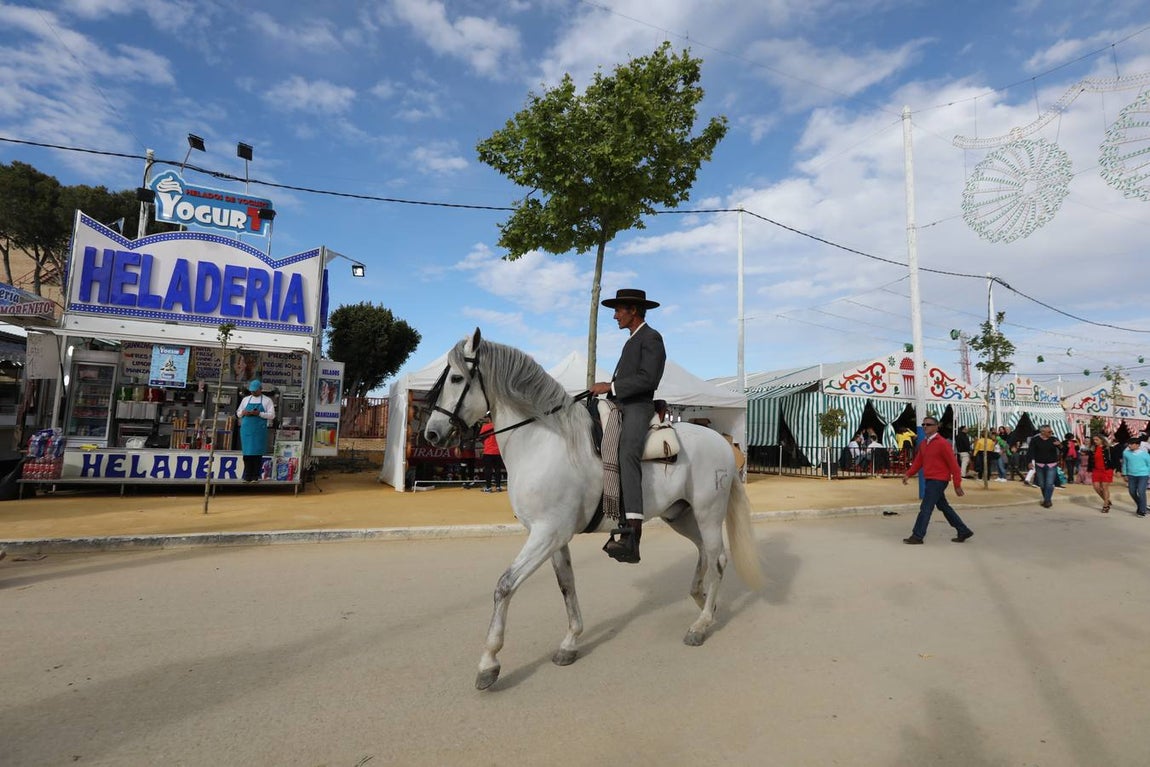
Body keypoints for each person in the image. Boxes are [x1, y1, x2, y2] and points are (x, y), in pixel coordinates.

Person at [590, 288, 666, 564]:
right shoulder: (632, 340)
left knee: (627, 452)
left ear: (633, 311)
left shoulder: (651, 337)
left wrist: (609, 386)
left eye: (618, 310)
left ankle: (633, 533)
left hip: (638, 406)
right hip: (621, 403)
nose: (615, 316)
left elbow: (648, 380)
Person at [902, 416, 972, 544]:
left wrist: (957, 484)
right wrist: (908, 474)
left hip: (938, 480)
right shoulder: (924, 444)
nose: (925, 427)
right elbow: (918, 462)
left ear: (936, 427)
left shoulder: (943, 444)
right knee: (943, 506)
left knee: (926, 507)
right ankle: (963, 530)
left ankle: (917, 535)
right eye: (923, 424)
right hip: (931, 479)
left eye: (928, 424)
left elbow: (954, 465)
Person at [236, 380, 275, 482]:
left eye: (255, 391)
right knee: (247, 454)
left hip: (259, 431)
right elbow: (238, 413)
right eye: (252, 391)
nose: (253, 393)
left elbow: (272, 415)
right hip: (246, 430)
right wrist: (243, 412)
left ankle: (255, 476)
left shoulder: (267, 400)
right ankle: (247, 475)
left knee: (257, 454)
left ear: (260, 389)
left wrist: (259, 413)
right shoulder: (245, 400)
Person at [1028, 425, 1061, 508]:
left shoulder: (1054, 439)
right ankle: (1047, 498)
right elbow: (1030, 451)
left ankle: (1047, 501)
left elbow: (1062, 449)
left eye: (1051, 431)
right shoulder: (1035, 440)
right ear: (1042, 432)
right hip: (1039, 464)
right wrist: (1029, 462)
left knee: (1049, 483)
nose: (1051, 433)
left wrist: (1060, 445)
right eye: (1049, 432)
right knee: (1042, 484)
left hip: (1051, 464)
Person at [1087, 435, 1117, 513]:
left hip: (1107, 470)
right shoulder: (1092, 449)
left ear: (1102, 440)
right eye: (1094, 440)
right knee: (1096, 487)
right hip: (1096, 470)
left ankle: (1105, 505)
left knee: (1104, 487)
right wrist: (1089, 470)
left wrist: (1118, 470)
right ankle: (1106, 500)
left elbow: (1115, 459)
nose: (1095, 441)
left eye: (1096, 439)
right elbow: (1090, 461)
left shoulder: (1109, 449)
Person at [1122, 438, 1150, 517]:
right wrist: (1124, 474)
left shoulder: (1145, 454)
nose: (1129, 445)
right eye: (1129, 444)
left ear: (1137, 445)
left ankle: (1142, 511)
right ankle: (1142, 506)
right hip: (1131, 475)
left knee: (1141, 491)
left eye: (1131, 444)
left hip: (1143, 475)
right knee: (1132, 492)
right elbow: (1125, 464)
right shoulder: (1126, 453)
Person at [479, 417, 503, 493]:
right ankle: (498, 487)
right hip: (498, 452)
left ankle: (489, 488)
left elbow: (481, 438)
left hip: (488, 451)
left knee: (488, 470)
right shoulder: (499, 425)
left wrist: (486, 444)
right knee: (498, 470)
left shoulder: (485, 427)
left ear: (489, 419)